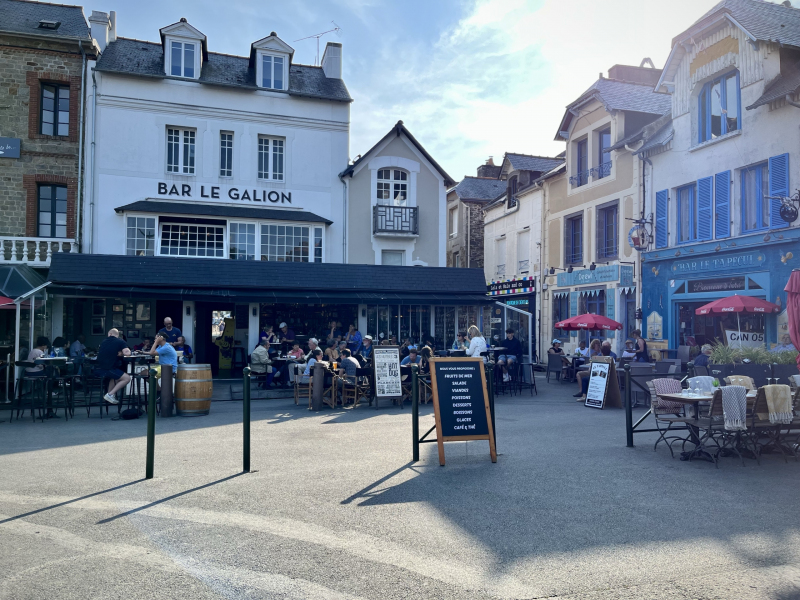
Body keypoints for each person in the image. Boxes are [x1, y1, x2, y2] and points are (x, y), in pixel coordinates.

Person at [95, 329, 131, 404]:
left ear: (110, 334)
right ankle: (110, 394)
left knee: (115, 377)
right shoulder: (120, 341)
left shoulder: (104, 341)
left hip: (98, 368)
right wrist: (123, 353)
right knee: (127, 378)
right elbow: (127, 353)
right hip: (109, 368)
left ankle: (109, 395)